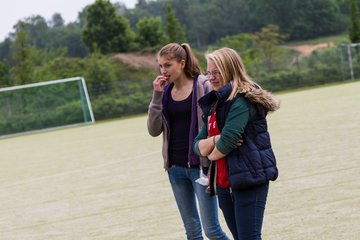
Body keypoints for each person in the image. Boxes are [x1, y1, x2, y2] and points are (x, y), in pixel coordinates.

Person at [194, 47, 280, 240]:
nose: (211, 77)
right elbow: (197, 145)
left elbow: (228, 142)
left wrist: (211, 151)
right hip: (224, 183)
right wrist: (215, 140)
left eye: (217, 72)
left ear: (231, 70)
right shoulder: (215, 102)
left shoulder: (242, 100)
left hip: (249, 180)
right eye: (209, 72)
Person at [147, 43, 229, 240]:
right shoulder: (165, 92)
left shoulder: (203, 85)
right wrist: (157, 95)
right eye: (160, 66)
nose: (163, 71)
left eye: (168, 65)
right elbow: (153, 130)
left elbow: (221, 116)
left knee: (212, 230)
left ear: (182, 63)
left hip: (201, 167)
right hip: (175, 168)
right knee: (192, 232)